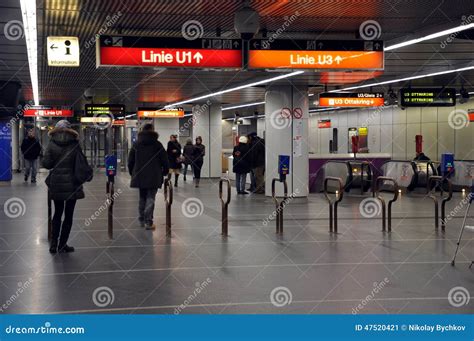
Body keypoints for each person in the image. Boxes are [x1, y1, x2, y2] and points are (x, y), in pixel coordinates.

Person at [42, 120, 86, 253]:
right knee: (69, 215)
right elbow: (81, 162)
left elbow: (46, 164)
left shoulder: (51, 144)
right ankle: (63, 244)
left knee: (57, 213)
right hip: (72, 184)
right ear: (69, 129)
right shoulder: (75, 143)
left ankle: (53, 244)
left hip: (57, 183)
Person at [128, 124, 169, 230]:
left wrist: (132, 172)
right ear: (153, 131)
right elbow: (165, 160)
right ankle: (148, 222)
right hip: (154, 175)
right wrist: (165, 171)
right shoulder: (157, 144)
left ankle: (141, 219)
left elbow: (130, 161)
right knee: (151, 198)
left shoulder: (136, 144)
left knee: (142, 197)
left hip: (140, 175)